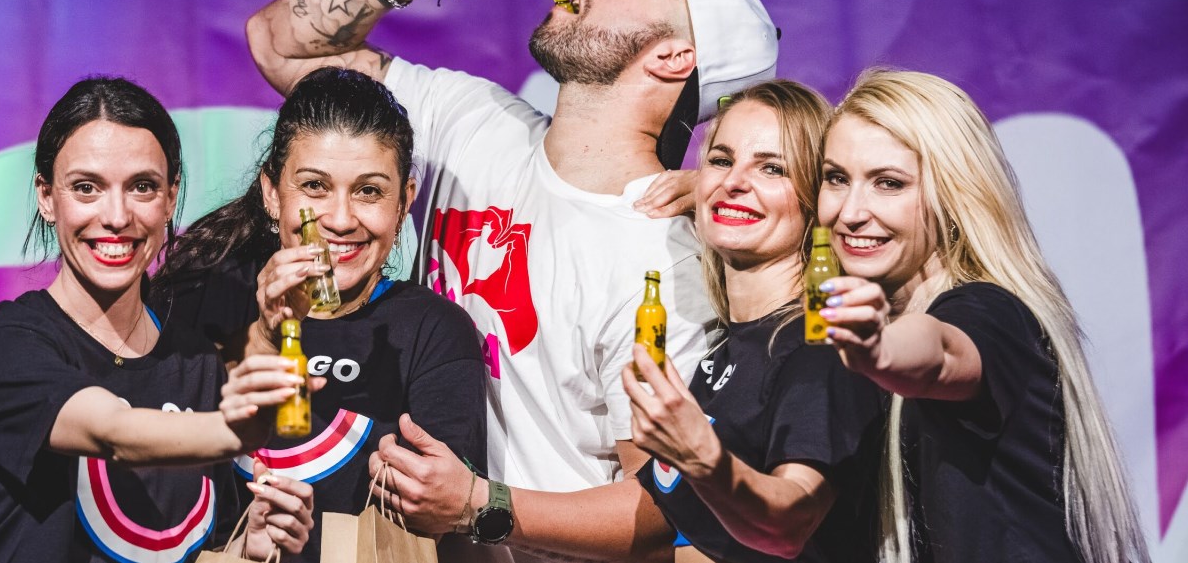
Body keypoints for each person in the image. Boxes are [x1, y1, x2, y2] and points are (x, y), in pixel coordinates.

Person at [246, 0, 778, 554]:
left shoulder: (662, 259)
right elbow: (277, 44)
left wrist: (480, 506)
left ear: (673, 57)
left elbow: (659, 509)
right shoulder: (473, 119)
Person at [369, 82, 885, 563]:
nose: (735, 181)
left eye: (773, 168)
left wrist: (478, 504)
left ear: (821, 196)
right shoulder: (729, 351)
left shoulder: (819, 348)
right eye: (721, 160)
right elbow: (664, 522)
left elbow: (789, 522)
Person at [0, 77, 313, 562]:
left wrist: (249, 549)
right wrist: (232, 431)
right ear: (46, 196)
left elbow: (198, 548)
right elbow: (111, 432)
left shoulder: (197, 363)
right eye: (87, 188)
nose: (117, 216)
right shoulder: (7, 345)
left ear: (170, 198)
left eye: (142, 187)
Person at [151, 67, 487, 563]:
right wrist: (264, 334)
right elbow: (144, 466)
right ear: (272, 193)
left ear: (404, 203)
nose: (341, 219)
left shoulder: (434, 332)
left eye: (369, 191)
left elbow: (443, 520)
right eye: (314, 186)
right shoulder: (198, 296)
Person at [817, 68, 1149, 563]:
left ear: (955, 195)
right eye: (836, 178)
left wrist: (878, 350)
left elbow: (940, 353)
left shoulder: (990, 312)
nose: (851, 212)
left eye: (889, 183)